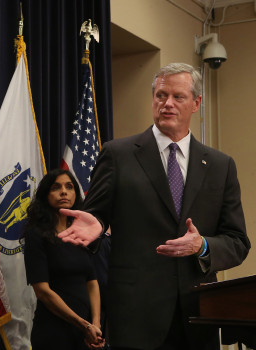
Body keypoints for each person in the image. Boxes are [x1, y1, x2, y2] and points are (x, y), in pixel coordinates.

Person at [58, 63, 251, 350]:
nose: (167, 104)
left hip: (197, 319)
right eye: (161, 95)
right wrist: (97, 225)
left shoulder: (221, 166)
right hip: (136, 317)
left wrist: (202, 246)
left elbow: (237, 242)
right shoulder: (118, 154)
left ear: (196, 103)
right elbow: (95, 216)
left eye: (178, 97)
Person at [23, 169, 105, 349]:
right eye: (56, 187)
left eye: (69, 187)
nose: (64, 192)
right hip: (53, 331)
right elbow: (43, 291)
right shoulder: (36, 235)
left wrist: (96, 324)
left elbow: (92, 282)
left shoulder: (80, 233)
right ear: (46, 195)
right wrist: (83, 325)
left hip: (86, 333)